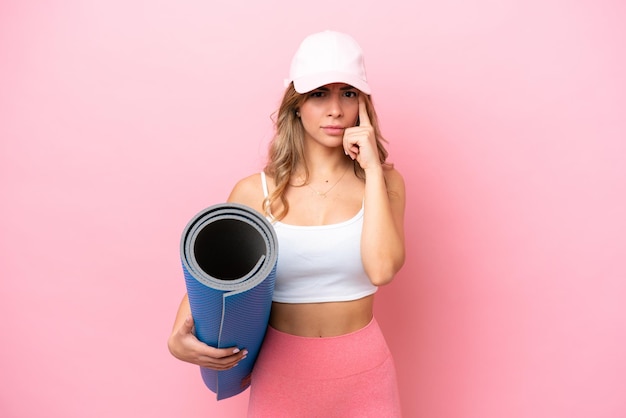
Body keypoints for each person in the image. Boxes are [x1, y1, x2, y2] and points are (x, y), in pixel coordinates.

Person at [168, 30, 406, 417]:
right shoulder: (252, 192)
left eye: (348, 93)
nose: (335, 109)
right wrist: (178, 341)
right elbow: (213, 286)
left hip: (365, 376)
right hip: (283, 377)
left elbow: (381, 269)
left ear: (363, 104)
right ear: (296, 104)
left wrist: (373, 171)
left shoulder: (386, 183)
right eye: (318, 94)